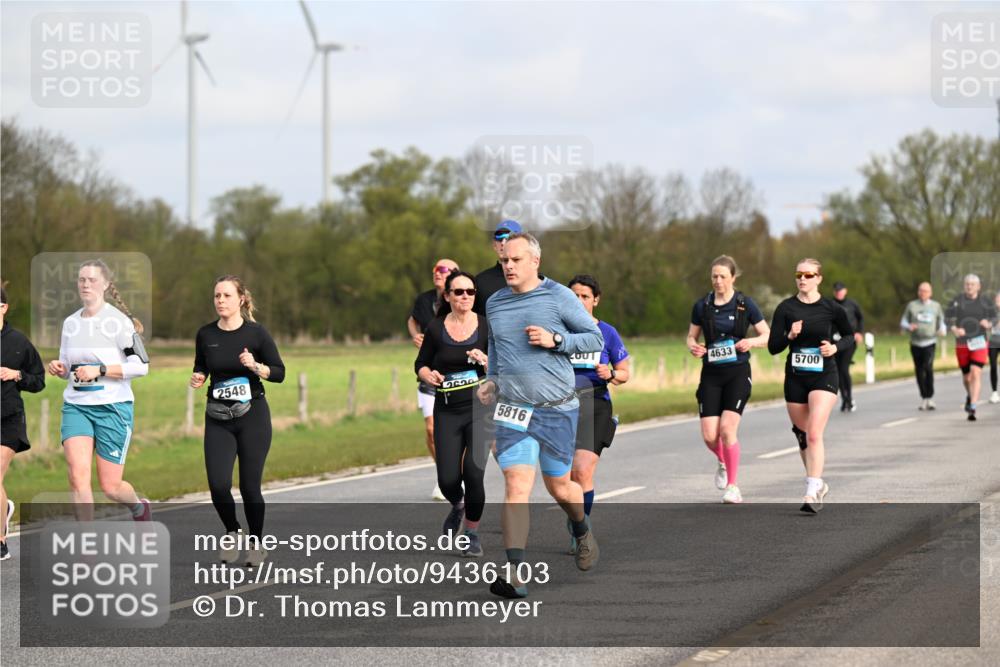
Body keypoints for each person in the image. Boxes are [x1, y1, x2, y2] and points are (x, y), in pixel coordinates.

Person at [477, 233, 604, 598]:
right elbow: (496, 347)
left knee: (559, 487)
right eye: (504, 261)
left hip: (557, 409)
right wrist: (492, 380)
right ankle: (516, 573)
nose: (508, 266)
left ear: (535, 261)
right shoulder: (496, 303)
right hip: (514, 410)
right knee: (516, 486)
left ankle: (581, 528)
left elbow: (593, 339)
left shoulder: (559, 297)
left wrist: (556, 341)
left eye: (516, 260)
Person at [46, 260, 151, 523]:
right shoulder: (70, 323)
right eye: (82, 279)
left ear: (105, 284)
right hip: (77, 406)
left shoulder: (118, 323)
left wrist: (100, 370)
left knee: (111, 487)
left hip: (112, 407)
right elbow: (69, 367)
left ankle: (139, 508)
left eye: (92, 280)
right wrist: (60, 369)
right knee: (77, 476)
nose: (86, 284)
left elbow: (141, 367)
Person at [191, 275, 285, 566]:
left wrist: (255, 366)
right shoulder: (206, 335)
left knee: (248, 487)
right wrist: (199, 376)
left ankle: (257, 544)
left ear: (241, 299)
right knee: (218, 485)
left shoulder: (256, 334)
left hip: (252, 416)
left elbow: (280, 372)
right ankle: (232, 531)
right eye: (217, 296)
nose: (220, 301)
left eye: (227, 296)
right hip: (218, 417)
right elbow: (201, 365)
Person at [768, 259, 853, 513]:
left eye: (808, 275)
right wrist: (790, 336)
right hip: (795, 376)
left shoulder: (831, 308)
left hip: (824, 375)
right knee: (803, 435)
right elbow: (773, 346)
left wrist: (835, 348)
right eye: (799, 274)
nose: (803, 279)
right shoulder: (785, 308)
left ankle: (810, 491)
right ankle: (818, 483)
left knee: (815, 433)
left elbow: (849, 336)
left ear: (819, 278)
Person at [415, 271, 490, 557]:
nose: (465, 297)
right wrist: (429, 373)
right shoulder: (436, 328)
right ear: (447, 296)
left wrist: (487, 361)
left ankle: (471, 533)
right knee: (448, 479)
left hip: (481, 409)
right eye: (458, 292)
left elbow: (504, 363)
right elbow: (420, 364)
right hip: (447, 409)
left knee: (473, 472)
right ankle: (458, 505)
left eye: (470, 292)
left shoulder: (485, 327)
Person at [686, 256, 770, 504]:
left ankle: (733, 486)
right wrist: (694, 347)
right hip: (711, 374)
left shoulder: (746, 304)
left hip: (737, 373)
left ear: (733, 277)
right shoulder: (702, 306)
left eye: (723, 276)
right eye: (714, 276)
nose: (718, 281)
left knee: (726, 429)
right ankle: (723, 460)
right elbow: (691, 337)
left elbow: (767, 335)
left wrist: (751, 341)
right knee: (710, 436)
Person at [566, 274, 630, 548]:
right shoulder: (559, 331)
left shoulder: (607, 333)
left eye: (584, 296)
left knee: (581, 471)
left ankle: (581, 532)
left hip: (595, 404)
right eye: (574, 296)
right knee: (565, 477)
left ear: (595, 300)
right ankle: (578, 520)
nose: (579, 301)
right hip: (562, 406)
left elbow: (625, 372)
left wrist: (611, 373)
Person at [407, 258, 459, 500]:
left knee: (457, 430)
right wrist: (415, 336)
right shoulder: (424, 299)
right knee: (431, 429)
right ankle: (444, 475)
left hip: (457, 374)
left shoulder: (463, 298)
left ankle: (458, 474)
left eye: (442, 269)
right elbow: (412, 320)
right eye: (435, 269)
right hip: (429, 372)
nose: (437, 273)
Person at [0, 285, 45, 561]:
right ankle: (3, 510)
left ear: (2, 307)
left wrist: (16, 374)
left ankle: (1, 540)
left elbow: (38, 380)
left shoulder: (19, 342)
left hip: (8, 420)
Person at [945, 274, 997, 422]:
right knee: (967, 377)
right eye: (967, 284)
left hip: (980, 341)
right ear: (964, 285)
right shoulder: (957, 300)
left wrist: (988, 323)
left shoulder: (985, 301)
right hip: (962, 343)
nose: (969, 286)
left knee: (976, 372)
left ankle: (973, 406)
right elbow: (947, 319)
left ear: (978, 286)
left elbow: (995, 317)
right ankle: (969, 395)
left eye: (972, 284)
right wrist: (955, 329)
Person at [900, 282, 947, 410]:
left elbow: (942, 322)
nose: (923, 293)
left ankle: (930, 397)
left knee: (928, 367)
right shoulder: (912, 305)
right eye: (921, 290)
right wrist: (909, 326)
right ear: (918, 292)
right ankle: (924, 397)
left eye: (926, 291)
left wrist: (942, 330)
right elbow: (903, 321)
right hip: (915, 342)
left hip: (930, 342)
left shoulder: (936, 306)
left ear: (930, 293)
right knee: (919, 370)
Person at [473, 220, 522, 317]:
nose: (503, 242)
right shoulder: (479, 281)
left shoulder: (536, 281)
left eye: (509, 237)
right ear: (494, 245)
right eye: (499, 238)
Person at [832, 282, 864, 412]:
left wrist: (859, 332)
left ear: (845, 291)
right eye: (837, 290)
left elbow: (860, 318)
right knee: (838, 371)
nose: (839, 292)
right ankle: (845, 399)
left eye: (841, 290)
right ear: (834, 292)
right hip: (834, 342)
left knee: (844, 368)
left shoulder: (852, 304)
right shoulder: (830, 304)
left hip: (849, 340)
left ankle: (849, 398)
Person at [990, 291, 1000, 405]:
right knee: (993, 366)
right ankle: (994, 392)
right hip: (993, 341)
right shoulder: (991, 311)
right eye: (997, 299)